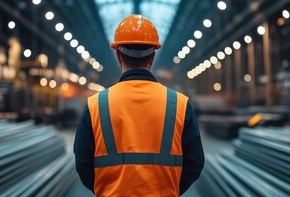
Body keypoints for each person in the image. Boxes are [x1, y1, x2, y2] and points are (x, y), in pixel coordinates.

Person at [74, 14, 204, 196]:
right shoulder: (180, 104)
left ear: (118, 55)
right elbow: (195, 163)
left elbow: (83, 164)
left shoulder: (95, 104)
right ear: (153, 56)